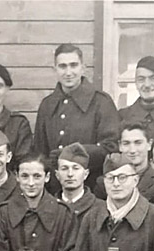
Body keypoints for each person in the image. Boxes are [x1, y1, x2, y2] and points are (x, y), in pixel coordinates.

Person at [35, 44, 120, 192]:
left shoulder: (101, 102)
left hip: (92, 188)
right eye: (62, 66)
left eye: (73, 65)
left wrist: (71, 154)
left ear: (83, 68)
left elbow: (111, 148)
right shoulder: (47, 105)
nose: (68, 72)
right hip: (55, 189)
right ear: (55, 69)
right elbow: (40, 150)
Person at [95, 122, 154, 200]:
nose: (132, 150)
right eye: (126, 143)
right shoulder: (104, 183)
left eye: (138, 143)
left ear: (149, 144)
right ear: (120, 146)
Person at [55, 142, 99, 227]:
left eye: (76, 168)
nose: (70, 174)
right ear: (57, 175)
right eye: (64, 168)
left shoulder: (99, 208)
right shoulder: (49, 207)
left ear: (86, 174)